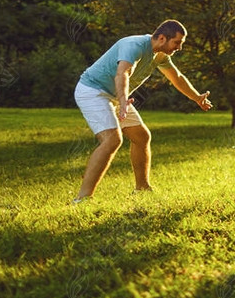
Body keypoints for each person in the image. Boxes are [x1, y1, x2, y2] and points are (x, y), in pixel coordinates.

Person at [72, 19, 213, 201]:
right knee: (112, 140)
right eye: (177, 43)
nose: (179, 48)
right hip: (93, 91)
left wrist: (197, 98)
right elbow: (122, 73)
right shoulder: (134, 45)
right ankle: (82, 198)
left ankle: (142, 188)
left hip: (116, 97)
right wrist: (122, 100)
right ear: (162, 38)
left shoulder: (160, 55)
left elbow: (176, 77)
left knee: (141, 136)